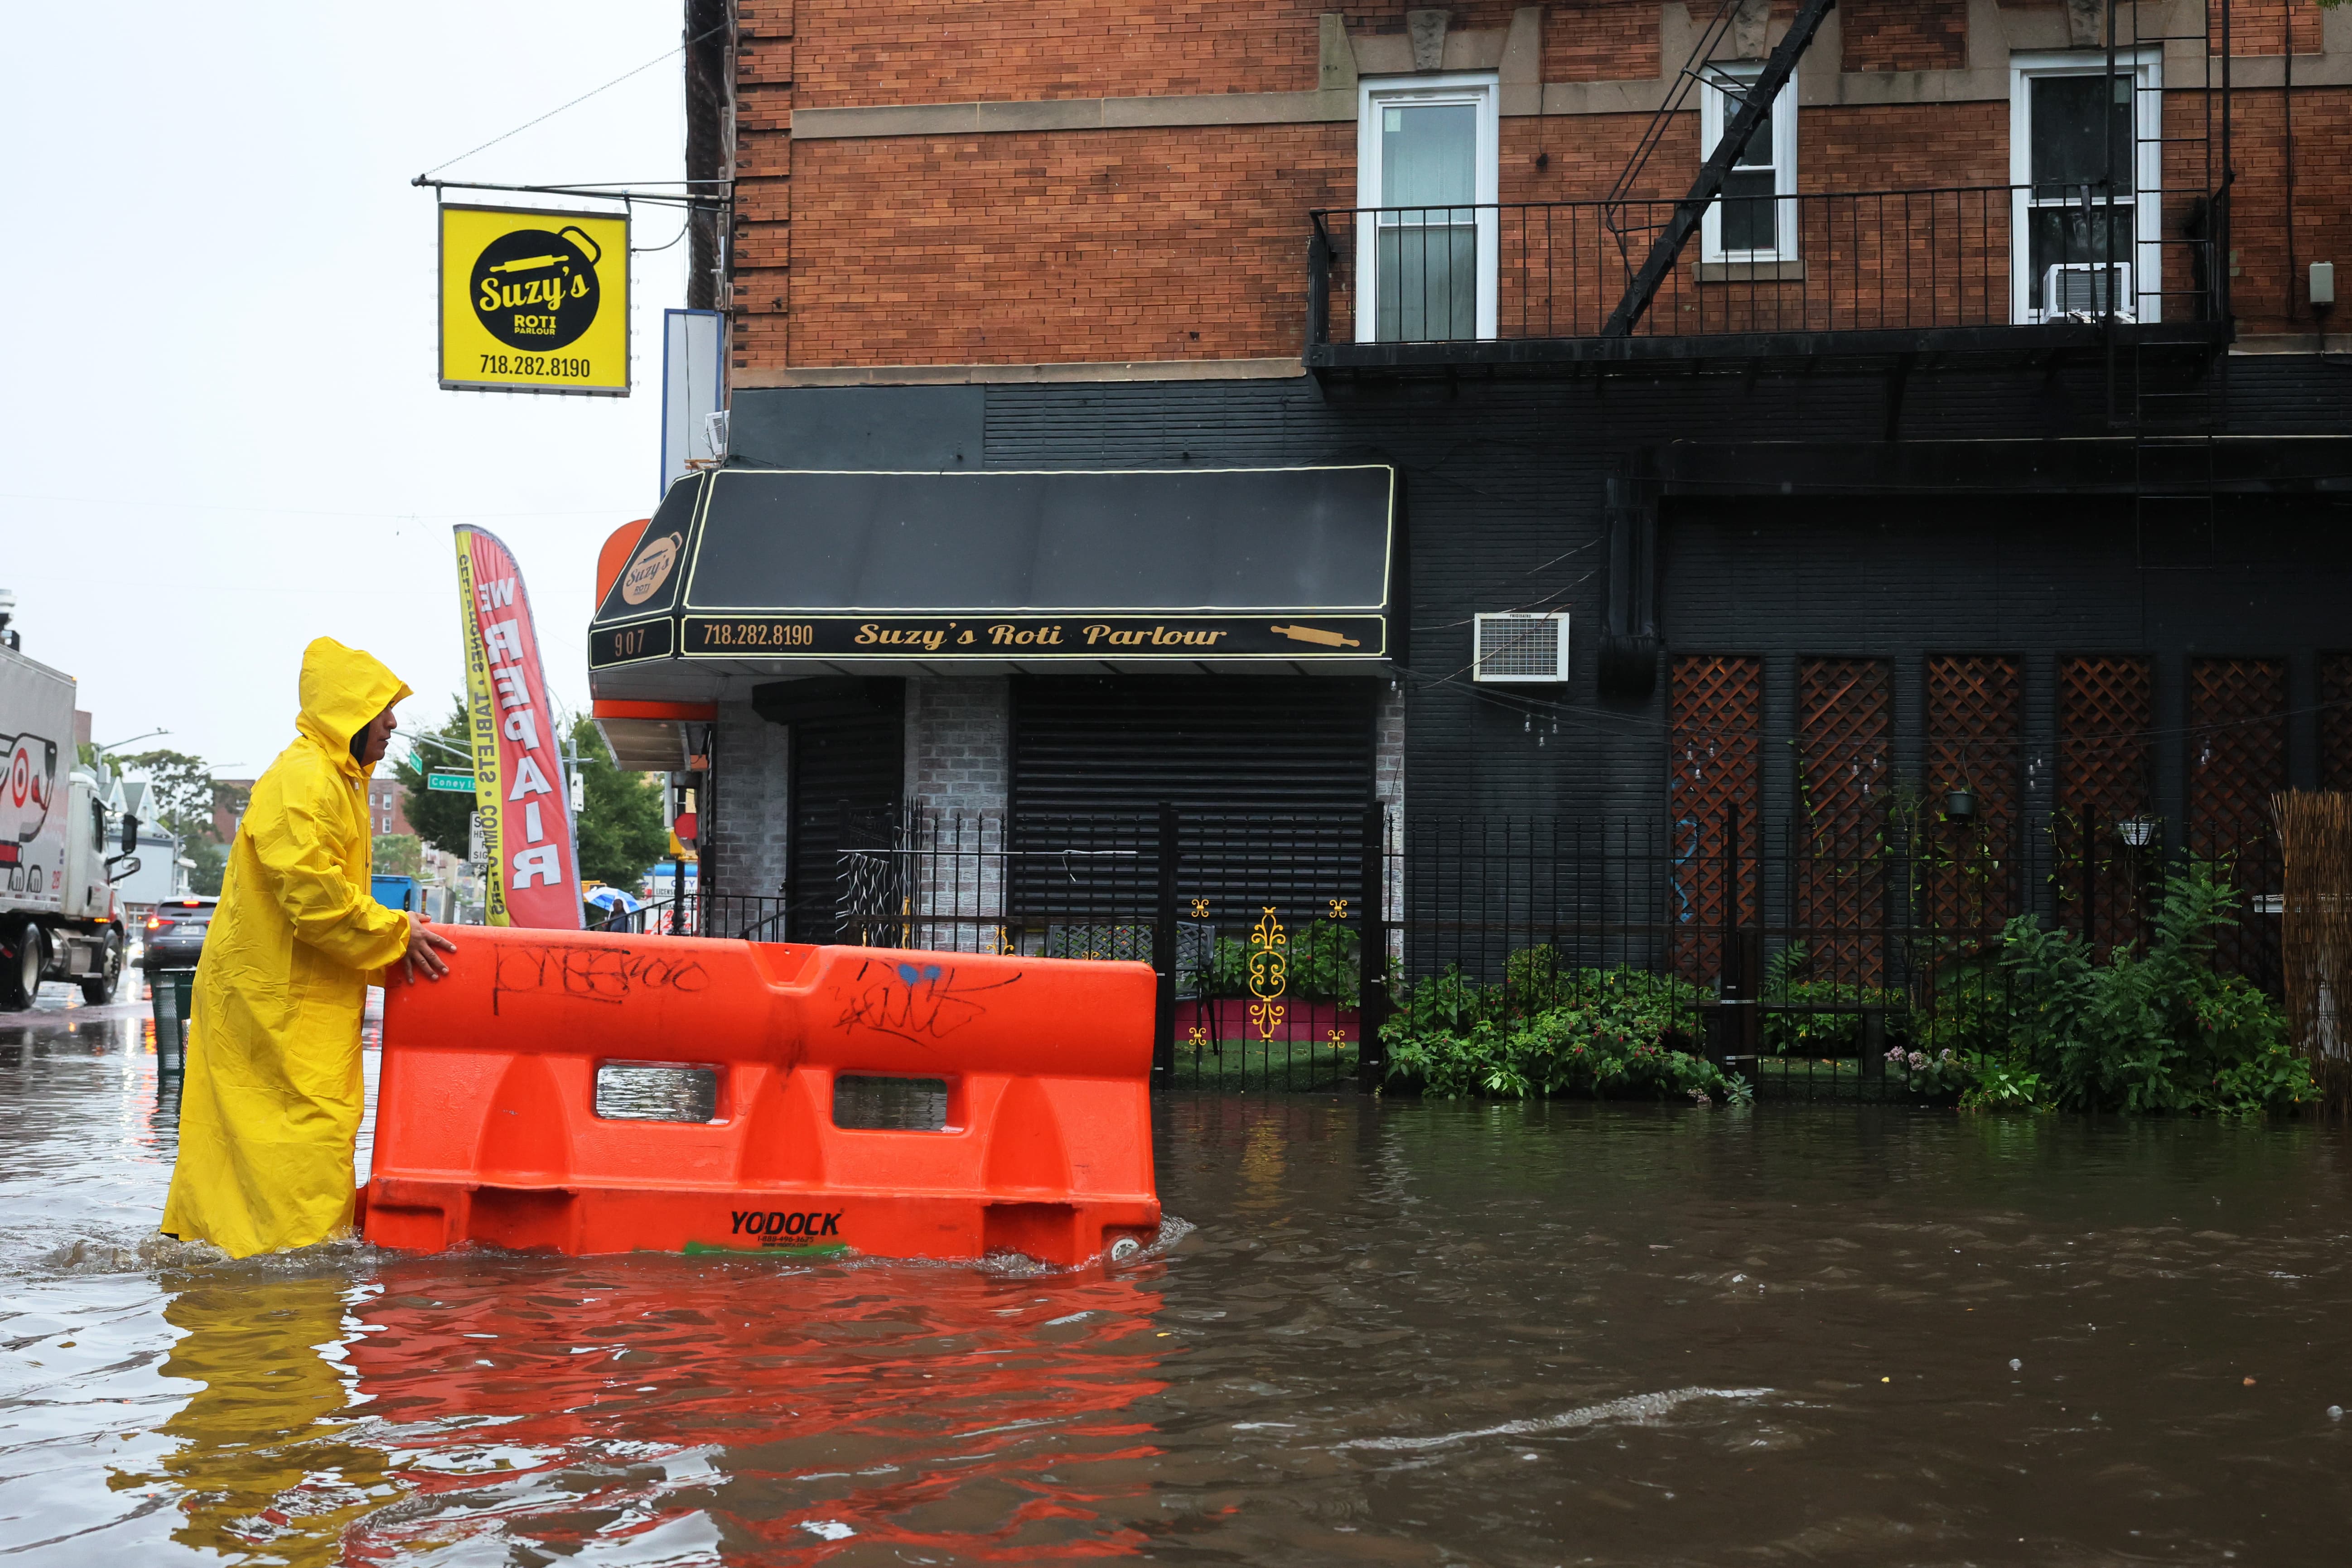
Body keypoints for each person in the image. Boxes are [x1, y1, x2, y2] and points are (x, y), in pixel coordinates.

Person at [161, 637, 457, 1258]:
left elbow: (325, 899)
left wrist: (393, 938)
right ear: (350, 713)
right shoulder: (306, 781)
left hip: (292, 1012)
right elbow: (315, 897)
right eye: (383, 709)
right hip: (272, 1011)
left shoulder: (335, 782)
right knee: (294, 1158)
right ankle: (278, 1303)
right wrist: (398, 933)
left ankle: (253, 1285)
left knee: (287, 1156)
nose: (394, 723)